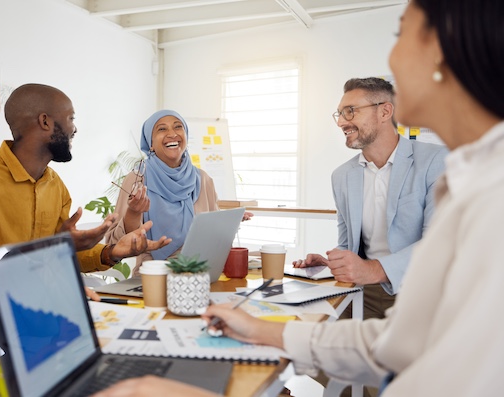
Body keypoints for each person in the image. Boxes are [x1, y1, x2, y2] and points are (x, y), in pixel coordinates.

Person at [94, 0, 504, 395]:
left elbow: (449, 373)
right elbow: (396, 345)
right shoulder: (469, 174)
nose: (392, 56)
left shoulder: (484, 188)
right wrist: (263, 330)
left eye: (401, 33)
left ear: (445, 51)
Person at [0, 84, 171, 273]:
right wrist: (50, 250)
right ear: (45, 121)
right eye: (71, 118)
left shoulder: (55, 186)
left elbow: (64, 254)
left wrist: (112, 252)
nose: (75, 129)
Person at [293, 77, 447, 320]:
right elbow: (348, 245)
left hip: (421, 294)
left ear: (385, 111)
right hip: (363, 293)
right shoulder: (342, 176)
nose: (342, 122)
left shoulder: (434, 161)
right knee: (311, 331)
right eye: (340, 114)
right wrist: (332, 264)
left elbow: (438, 244)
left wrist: (372, 270)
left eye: (350, 112)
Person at [106, 109, 251, 275]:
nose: (172, 134)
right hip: (154, 277)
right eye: (162, 129)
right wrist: (133, 213)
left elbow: (213, 235)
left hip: (201, 275)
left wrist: (228, 223)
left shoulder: (202, 179)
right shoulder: (137, 179)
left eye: (178, 127)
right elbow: (114, 243)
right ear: (150, 143)